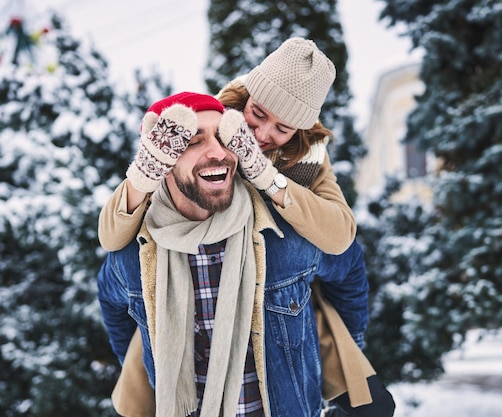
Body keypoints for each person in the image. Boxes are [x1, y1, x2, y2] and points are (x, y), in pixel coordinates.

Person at [98, 38, 393, 415]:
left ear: (299, 132)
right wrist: (149, 362)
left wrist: (267, 175)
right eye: (257, 113)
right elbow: (113, 257)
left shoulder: (306, 160)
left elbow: (341, 244)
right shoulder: (210, 124)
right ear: (245, 97)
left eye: (283, 127)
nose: (263, 133)